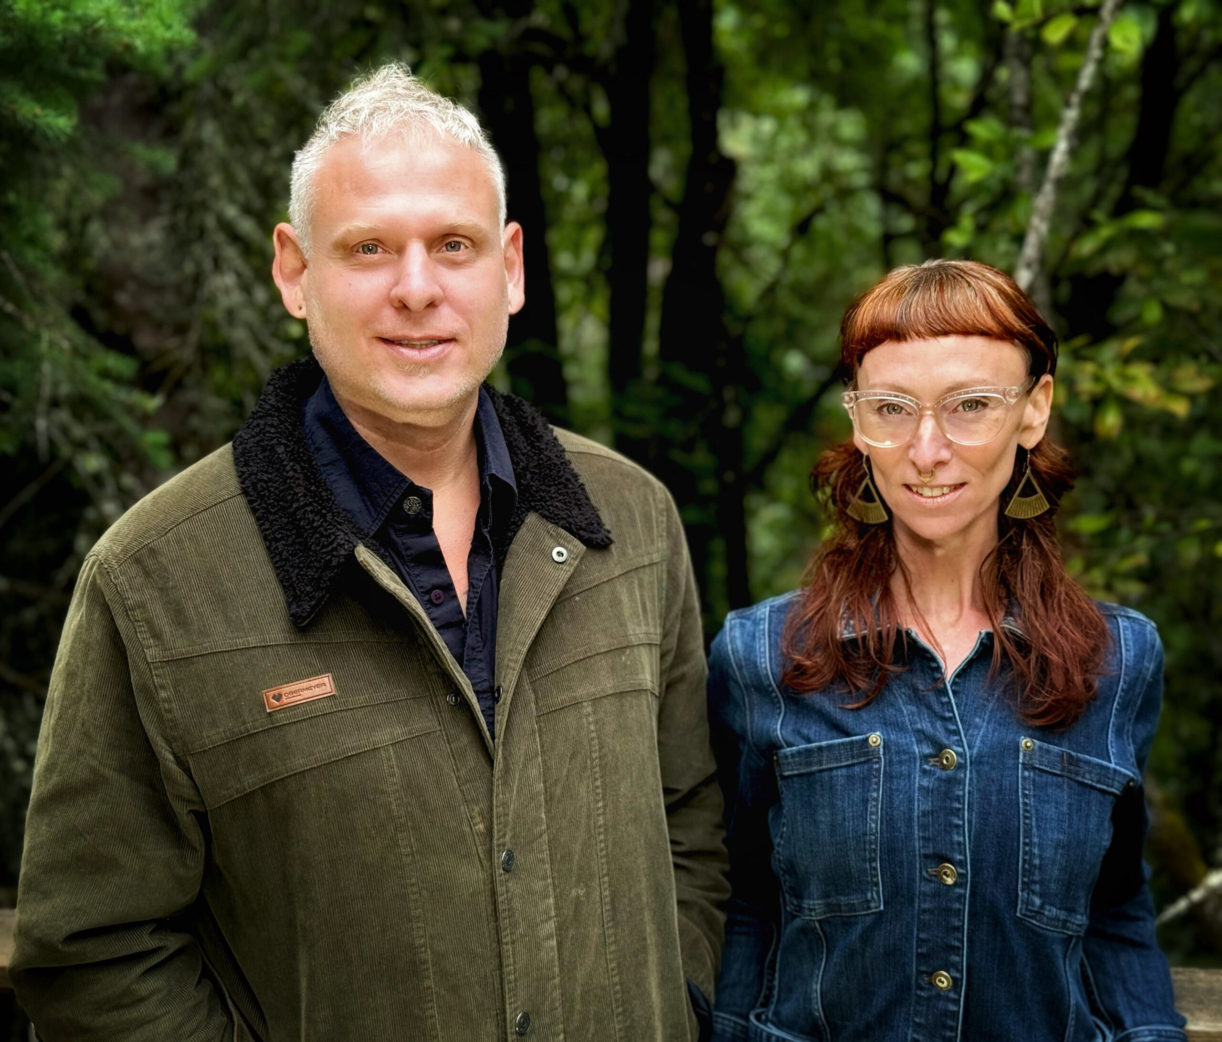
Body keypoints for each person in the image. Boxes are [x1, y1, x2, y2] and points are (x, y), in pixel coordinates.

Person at [12, 64, 728, 1041]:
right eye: (367, 248)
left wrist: (669, 1003)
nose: (417, 289)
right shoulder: (156, 581)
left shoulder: (630, 522)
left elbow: (691, 822)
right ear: (294, 273)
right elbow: (94, 951)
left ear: (510, 269)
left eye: (454, 244)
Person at [707, 260, 1185, 1041]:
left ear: (1034, 411)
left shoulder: (1117, 661)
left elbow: (1115, 909)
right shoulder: (761, 656)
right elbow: (748, 902)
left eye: (971, 406)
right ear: (858, 421)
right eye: (893, 408)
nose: (927, 450)